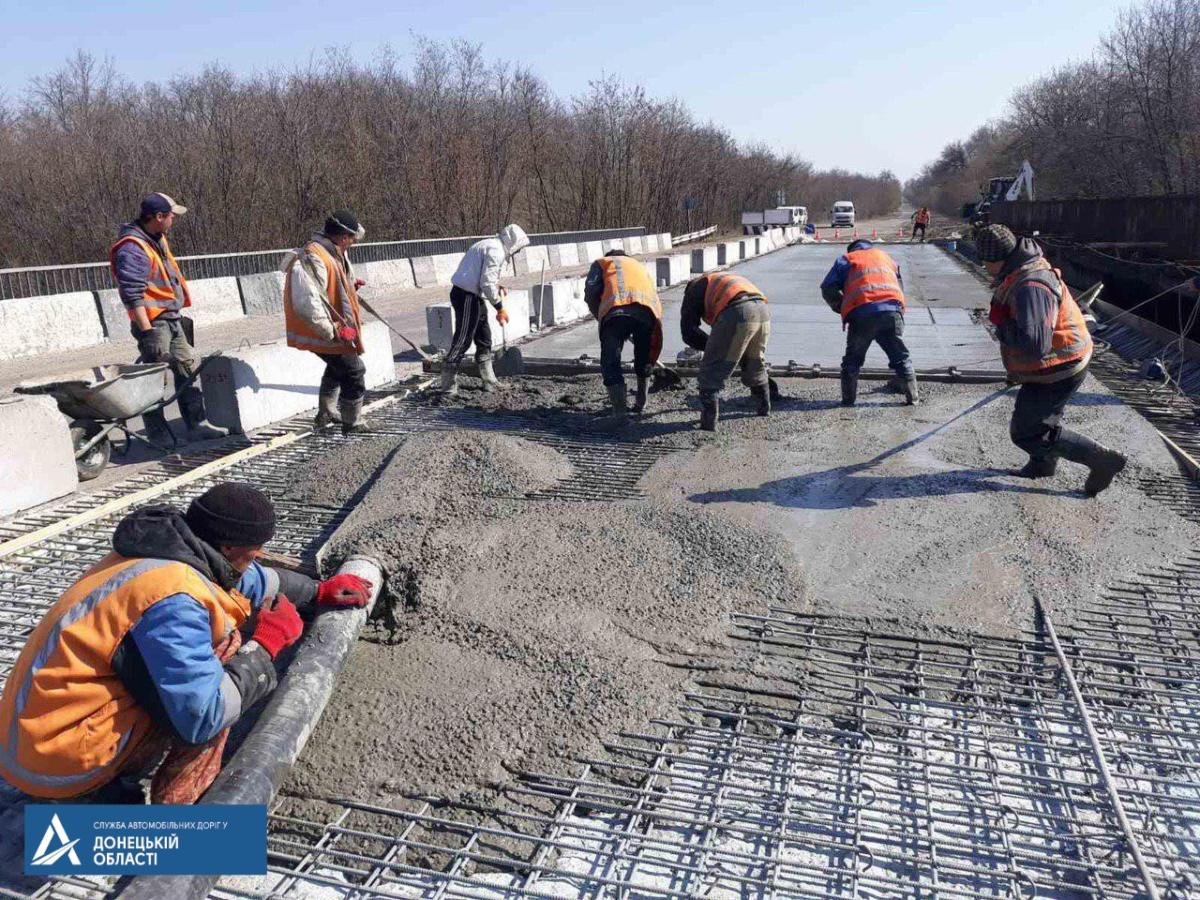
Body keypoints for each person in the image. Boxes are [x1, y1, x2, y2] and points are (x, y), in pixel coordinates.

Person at [0, 482, 374, 804]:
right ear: (228, 549)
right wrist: (266, 644)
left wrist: (317, 592)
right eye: (254, 550)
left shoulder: (167, 552)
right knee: (225, 654)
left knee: (216, 641)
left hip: (38, 741)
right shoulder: (174, 599)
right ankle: (174, 825)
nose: (258, 557)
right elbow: (203, 717)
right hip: (62, 768)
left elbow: (249, 580)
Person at [975, 224, 1126, 495]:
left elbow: (1035, 345)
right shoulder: (1022, 268)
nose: (984, 267)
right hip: (1059, 359)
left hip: (1060, 365)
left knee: (1028, 432)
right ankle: (1042, 465)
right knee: (1041, 418)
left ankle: (1102, 460)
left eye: (985, 261)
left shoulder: (1031, 285)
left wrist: (1002, 326)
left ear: (997, 260)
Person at [109, 193, 229, 444]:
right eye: (171, 215)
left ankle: (197, 424)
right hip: (154, 324)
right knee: (155, 379)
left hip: (172, 319)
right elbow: (132, 295)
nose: (174, 218)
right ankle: (158, 434)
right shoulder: (132, 248)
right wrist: (147, 332)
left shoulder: (156, 239)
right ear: (158, 217)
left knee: (187, 368)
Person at [282, 210, 371, 434]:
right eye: (351, 239)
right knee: (354, 371)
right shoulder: (313, 256)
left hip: (334, 326)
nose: (352, 244)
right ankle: (353, 423)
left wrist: (350, 285)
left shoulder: (332, 251)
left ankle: (326, 413)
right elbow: (306, 303)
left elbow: (331, 283)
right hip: (322, 329)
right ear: (343, 237)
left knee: (337, 366)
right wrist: (330, 331)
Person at [821, 240, 918, 406]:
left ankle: (848, 400)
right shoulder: (886, 257)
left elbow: (827, 287)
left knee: (853, 359)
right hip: (891, 311)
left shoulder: (847, 259)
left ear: (852, 249)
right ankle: (913, 398)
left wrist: (842, 306)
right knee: (900, 356)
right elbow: (898, 286)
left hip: (862, 314)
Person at [441, 224, 530, 396]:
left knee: (484, 337)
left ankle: (489, 380)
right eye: (518, 249)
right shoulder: (496, 251)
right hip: (466, 295)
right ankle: (447, 385)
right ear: (512, 243)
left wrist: (497, 286)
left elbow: (483, 276)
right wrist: (499, 307)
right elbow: (486, 283)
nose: (518, 252)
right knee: (463, 339)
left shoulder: (491, 245)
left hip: (472, 294)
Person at [681, 272, 771, 431]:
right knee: (754, 362)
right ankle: (764, 408)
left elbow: (688, 332)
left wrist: (715, 348)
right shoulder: (718, 280)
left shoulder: (693, 290)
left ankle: (708, 424)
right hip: (762, 309)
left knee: (710, 372)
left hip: (738, 310)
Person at [584, 249, 663, 416]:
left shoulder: (602, 263)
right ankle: (641, 403)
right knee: (643, 357)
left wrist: (603, 317)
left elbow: (590, 294)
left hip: (615, 314)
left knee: (611, 361)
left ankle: (619, 412)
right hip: (648, 313)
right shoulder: (638, 266)